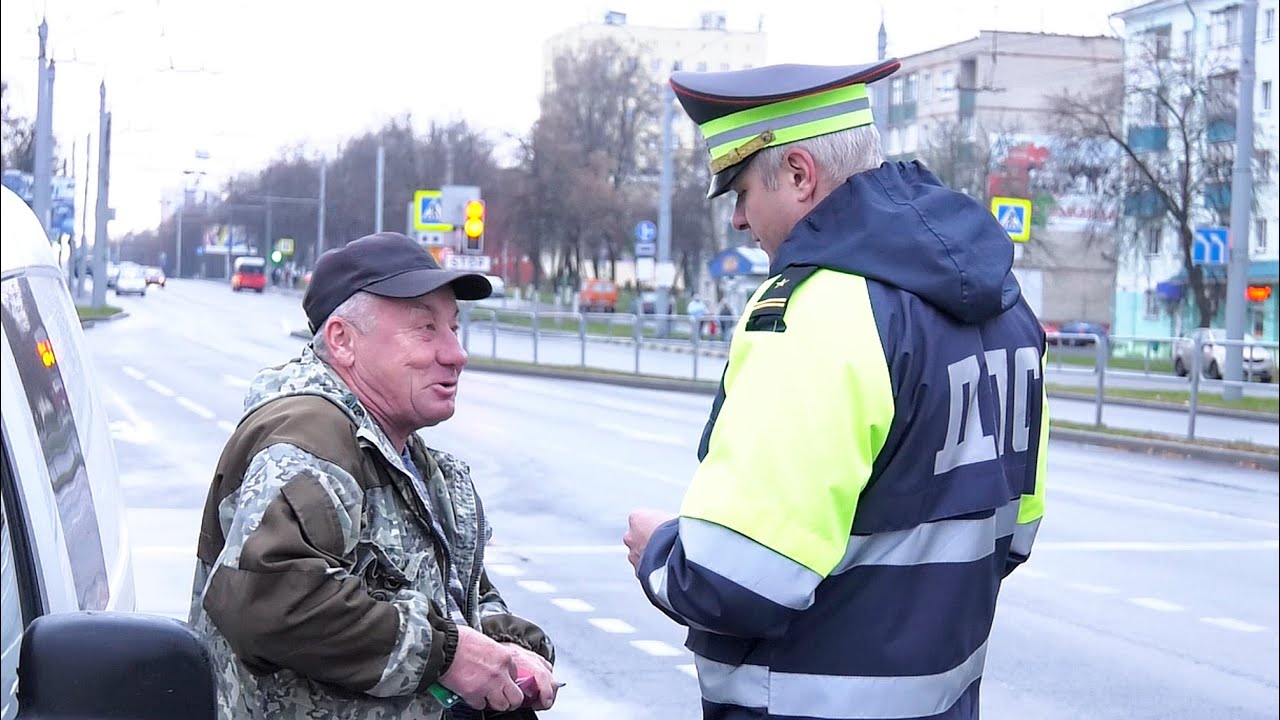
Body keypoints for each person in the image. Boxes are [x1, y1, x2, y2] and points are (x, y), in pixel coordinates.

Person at [623, 59, 1047, 720]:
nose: (737, 219)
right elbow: (1014, 535)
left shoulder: (818, 310)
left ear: (798, 174)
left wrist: (658, 552)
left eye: (739, 192)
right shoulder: (1008, 313)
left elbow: (732, 580)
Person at [190, 232, 560, 719]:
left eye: (453, 327)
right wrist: (448, 655)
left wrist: (506, 647)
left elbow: (447, 598)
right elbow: (273, 600)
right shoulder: (310, 440)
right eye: (425, 329)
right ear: (343, 341)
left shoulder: (404, 453)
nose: (456, 353)